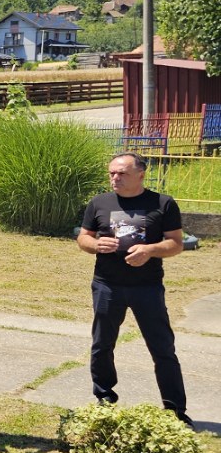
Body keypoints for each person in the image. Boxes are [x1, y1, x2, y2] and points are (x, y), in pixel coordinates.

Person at [77, 153, 188, 420]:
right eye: (112, 173)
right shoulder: (99, 203)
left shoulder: (162, 203)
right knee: (102, 344)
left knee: (162, 348)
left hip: (146, 287)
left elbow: (176, 243)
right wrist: (95, 245)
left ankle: (175, 410)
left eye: (122, 173)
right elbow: (83, 238)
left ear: (140, 174)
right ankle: (104, 399)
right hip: (107, 285)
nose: (115, 178)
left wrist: (150, 249)